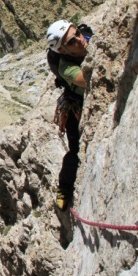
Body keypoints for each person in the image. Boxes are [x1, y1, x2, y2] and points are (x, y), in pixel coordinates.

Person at [45, 20, 91, 210]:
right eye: (72, 41)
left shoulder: (87, 37)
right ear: (63, 51)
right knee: (75, 149)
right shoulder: (65, 67)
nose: (79, 40)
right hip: (75, 104)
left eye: (77, 34)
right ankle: (64, 188)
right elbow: (84, 80)